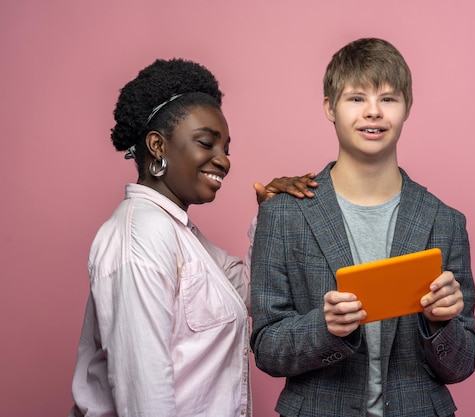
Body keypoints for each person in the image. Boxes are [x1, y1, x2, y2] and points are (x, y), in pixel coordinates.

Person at [68, 58, 316, 417]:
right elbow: (145, 398)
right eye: (206, 143)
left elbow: (247, 291)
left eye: (226, 149)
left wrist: (269, 218)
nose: (224, 161)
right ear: (157, 145)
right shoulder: (141, 236)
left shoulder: (181, 236)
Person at [250, 38, 475, 417]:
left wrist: (441, 324)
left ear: (407, 108)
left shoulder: (446, 222)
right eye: (356, 98)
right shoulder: (283, 216)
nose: (373, 112)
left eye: (388, 99)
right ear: (330, 108)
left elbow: (462, 363)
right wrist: (324, 328)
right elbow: (267, 349)